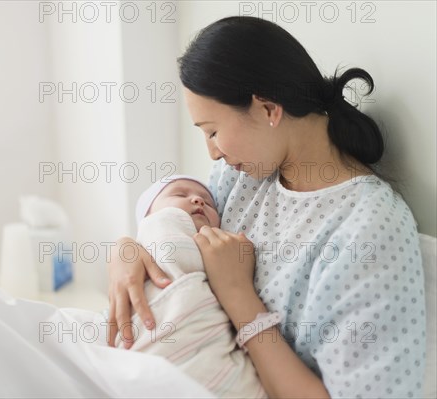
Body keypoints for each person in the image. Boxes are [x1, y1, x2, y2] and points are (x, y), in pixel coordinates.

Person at [105, 16, 426, 398]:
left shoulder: (370, 231)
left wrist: (239, 295)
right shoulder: (242, 177)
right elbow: (178, 242)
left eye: (212, 131)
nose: (213, 151)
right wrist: (128, 251)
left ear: (268, 109)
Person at [115, 175, 265, 398]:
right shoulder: (156, 232)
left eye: (209, 202)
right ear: (147, 215)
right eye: (179, 194)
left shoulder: (223, 251)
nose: (198, 200)